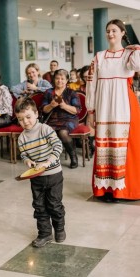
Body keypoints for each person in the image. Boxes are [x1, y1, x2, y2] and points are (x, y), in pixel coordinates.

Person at [86, 19, 140, 201]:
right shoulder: (99, 56)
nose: (110, 34)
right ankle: (105, 189)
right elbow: (91, 85)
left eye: (114, 30)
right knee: (105, 144)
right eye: (108, 30)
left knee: (126, 146)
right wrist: (91, 111)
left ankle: (123, 190)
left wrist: (137, 48)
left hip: (124, 105)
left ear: (123, 33)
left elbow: (138, 66)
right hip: (104, 105)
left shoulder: (129, 55)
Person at [15, 98, 65, 248]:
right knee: (39, 206)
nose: (26, 122)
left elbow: (57, 146)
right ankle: (44, 234)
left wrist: (48, 161)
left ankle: (60, 228)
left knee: (54, 204)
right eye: (21, 119)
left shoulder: (45, 129)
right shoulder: (22, 138)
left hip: (54, 174)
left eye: (28, 117)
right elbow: (24, 154)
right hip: (36, 177)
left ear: (36, 114)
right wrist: (27, 161)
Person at [42, 69, 81, 169]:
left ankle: (73, 157)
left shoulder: (71, 92)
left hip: (69, 119)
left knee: (63, 132)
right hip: (52, 119)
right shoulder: (48, 92)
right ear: (54, 80)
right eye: (57, 78)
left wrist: (64, 106)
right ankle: (48, 159)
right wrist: (51, 105)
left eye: (62, 79)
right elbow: (44, 110)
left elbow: (77, 110)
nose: (60, 81)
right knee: (47, 131)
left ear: (67, 80)